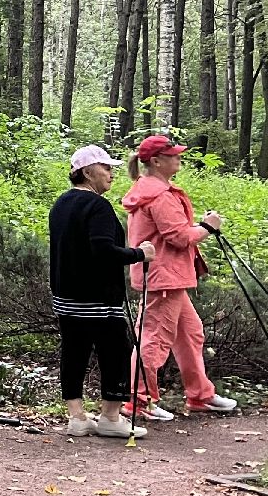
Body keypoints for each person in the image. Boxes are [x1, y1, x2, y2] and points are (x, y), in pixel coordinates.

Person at [121, 135, 238, 419]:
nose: (178, 158)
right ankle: (138, 402)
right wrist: (208, 227)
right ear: (157, 161)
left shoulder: (154, 190)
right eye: (172, 155)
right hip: (164, 279)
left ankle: (201, 396)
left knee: (190, 334)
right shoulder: (158, 196)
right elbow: (178, 236)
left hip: (169, 277)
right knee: (153, 339)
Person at [49, 145, 153, 438]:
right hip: (97, 298)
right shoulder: (98, 206)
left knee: (73, 353)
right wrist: (138, 253)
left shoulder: (61, 204)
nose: (111, 173)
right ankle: (110, 416)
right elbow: (103, 250)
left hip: (66, 298)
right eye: (105, 168)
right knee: (116, 352)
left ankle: (77, 417)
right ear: (86, 172)